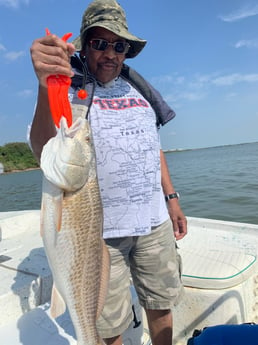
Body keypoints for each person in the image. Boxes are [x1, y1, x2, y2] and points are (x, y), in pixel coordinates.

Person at [29, 0, 187, 344]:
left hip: (154, 222)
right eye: (100, 43)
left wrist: (171, 198)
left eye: (119, 46)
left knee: (161, 305)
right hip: (100, 234)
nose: (110, 53)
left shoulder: (140, 90)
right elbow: (44, 148)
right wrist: (45, 85)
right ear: (85, 46)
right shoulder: (66, 88)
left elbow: (151, 146)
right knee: (106, 323)